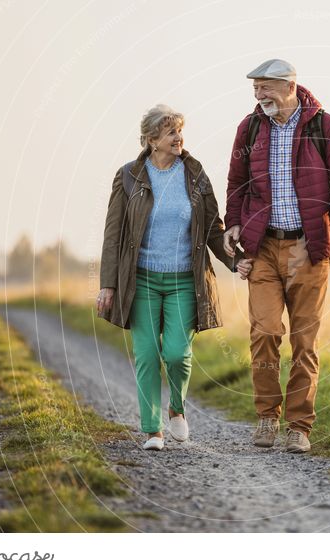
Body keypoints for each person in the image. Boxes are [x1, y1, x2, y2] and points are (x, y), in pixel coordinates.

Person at [97, 104, 253, 451]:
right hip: (142, 282)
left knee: (177, 354)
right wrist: (108, 284)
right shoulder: (128, 177)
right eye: (170, 132)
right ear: (152, 140)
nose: (178, 138)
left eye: (180, 131)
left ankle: (177, 409)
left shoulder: (195, 176)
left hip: (185, 279)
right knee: (148, 355)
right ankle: (153, 430)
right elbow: (113, 235)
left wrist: (236, 260)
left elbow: (214, 229)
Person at [223, 59, 330, 453]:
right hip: (263, 246)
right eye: (255, 89)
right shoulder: (249, 128)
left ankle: (299, 426)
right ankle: (268, 416)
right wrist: (234, 223)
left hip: (309, 246)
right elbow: (236, 183)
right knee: (264, 331)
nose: (258, 96)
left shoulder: (324, 125)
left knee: (304, 341)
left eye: (265, 88)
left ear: (289, 87)